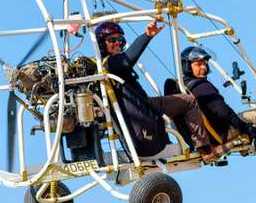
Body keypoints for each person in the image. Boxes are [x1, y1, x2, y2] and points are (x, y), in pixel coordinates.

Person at [95, 20, 221, 163]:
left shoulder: (111, 64)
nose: (118, 42)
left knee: (186, 101)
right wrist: (147, 36)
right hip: (139, 114)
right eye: (112, 40)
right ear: (102, 44)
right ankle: (204, 149)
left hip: (144, 105)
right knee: (189, 102)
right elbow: (126, 60)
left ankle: (198, 144)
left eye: (120, 39)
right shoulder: (109, 64)